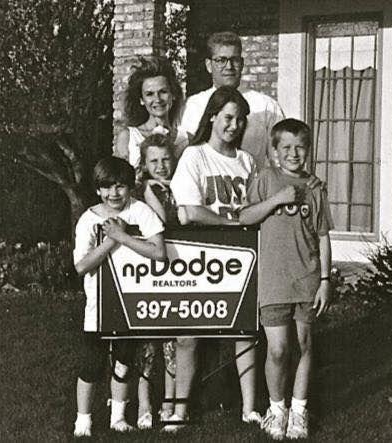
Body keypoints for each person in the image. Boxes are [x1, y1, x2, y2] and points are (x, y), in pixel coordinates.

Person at [168, 85, 284, 432]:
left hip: (240, 257)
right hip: (200, 257)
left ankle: (249, 408)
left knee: (244, 329)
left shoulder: (246, 161)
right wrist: (233, 222)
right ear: (212, 117)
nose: (235, 125)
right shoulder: (194, 156)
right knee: (188, 335)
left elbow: (255, 208)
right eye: (228, 117)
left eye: (241, 119)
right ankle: (180, 410)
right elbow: (190, 211)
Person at [239, 119, 334, 440]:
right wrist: (277, 199)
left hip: (306, 278)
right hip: (274, 280)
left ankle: (299, 411)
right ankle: (276, 409)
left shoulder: (316, 187)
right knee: (278, 349)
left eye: (300, 147)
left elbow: (323, 236)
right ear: (275, 151)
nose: (294, 154)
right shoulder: (266, 179)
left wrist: (325, 280)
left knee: (304, 344)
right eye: (286, 148)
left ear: (308, 150)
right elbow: (245, 216)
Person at [72, 157, 166, 437]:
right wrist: (112, 239)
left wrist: (123, 237)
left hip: (132, 302)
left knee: (124, 360)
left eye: (120, 186)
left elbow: (159, 252)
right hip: (99, 305)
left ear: (130, 187)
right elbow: (81, 266)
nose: (114, 193)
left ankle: (118, 417)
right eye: (107, 187)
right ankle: (83, 421)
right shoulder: (89, 219)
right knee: (92, 363)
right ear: (97, 189)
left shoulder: (141, 211)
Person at [179, 31, 285, 169]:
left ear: (242, 64)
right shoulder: (192, 105)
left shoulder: (266, 106)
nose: (229, 67)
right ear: (209, 65)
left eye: (234, 60)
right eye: (221, 60)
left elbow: (279, 161)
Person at [139, 133, 181, 423]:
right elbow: (160, 221)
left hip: (178, 270)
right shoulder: (141, 191)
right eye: (153, 161)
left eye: (166, 159)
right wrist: (148, 190)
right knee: (146, 343)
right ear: (144, 164)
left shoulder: (180, 186)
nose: (161, 166)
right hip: (149, 272)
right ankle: (144, 405)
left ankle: (169, 403)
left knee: (172, 342)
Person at [115, 56, 188, 181]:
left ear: (173, 94)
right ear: (141, 100)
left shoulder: (185, 139)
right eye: (149, 94)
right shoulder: (128, 137)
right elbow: (118, 181)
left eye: (163, 92)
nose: (157, 99)